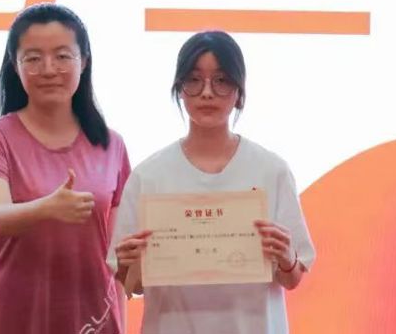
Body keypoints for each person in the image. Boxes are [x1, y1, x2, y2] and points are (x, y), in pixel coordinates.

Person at [110, 30, 315, 334]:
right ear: (179, 89)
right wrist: (128, 264)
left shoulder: (271, 171)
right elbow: (133, 284)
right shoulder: (148, 176)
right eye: (194, 80)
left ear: (239, 92)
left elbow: (292, 278)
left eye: (221, 80)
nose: (207, 92)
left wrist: (286, 258)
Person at [0, 3, 131, 334]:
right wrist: (47, 208)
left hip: (93, 318)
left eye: (62, 56)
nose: (48, 69)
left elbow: (118, 257)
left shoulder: (111, 144)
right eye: (33, 58)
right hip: (13, 316)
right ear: (15, 65)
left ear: (84, 61)